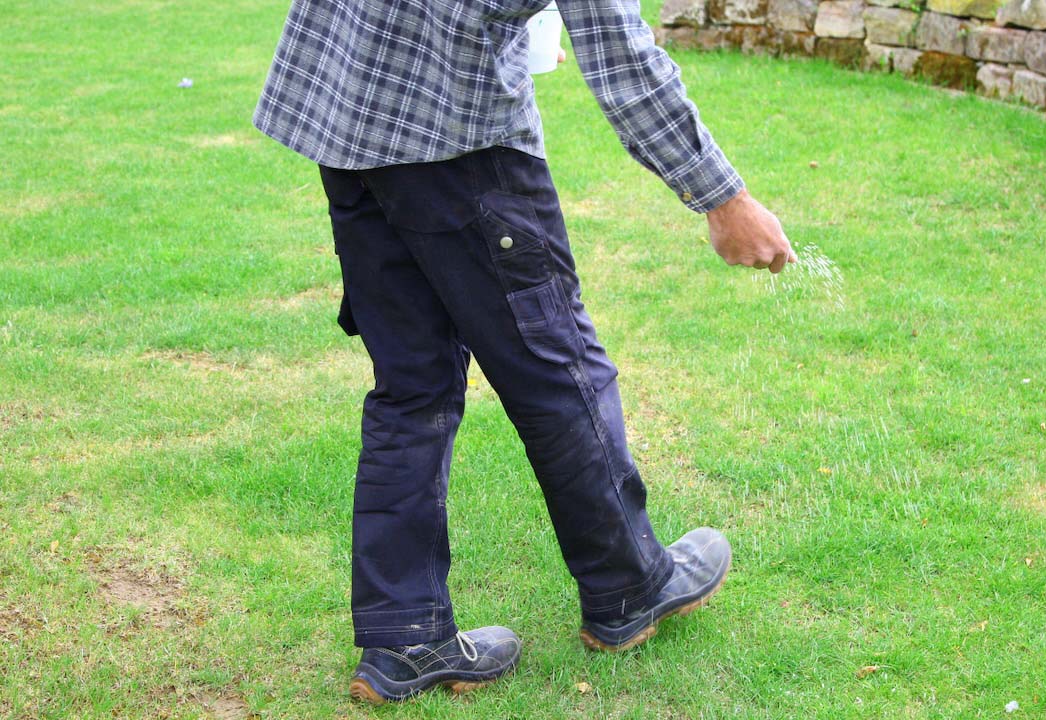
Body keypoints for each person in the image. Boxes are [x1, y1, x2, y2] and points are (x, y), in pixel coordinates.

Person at [253, 0, 795, 705]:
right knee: (560, 371)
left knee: (412, 387)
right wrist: (724, 199)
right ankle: (629, 586)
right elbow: (626, 64)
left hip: (348, 124)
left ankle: (404, 636)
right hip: (460, 147)